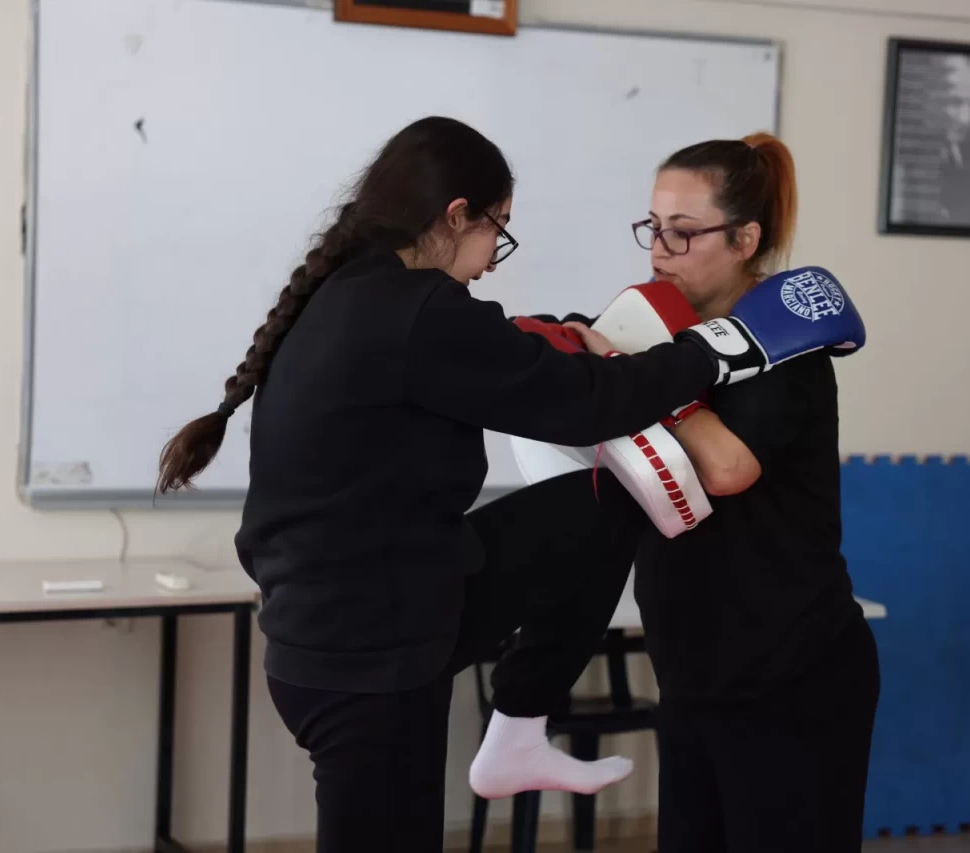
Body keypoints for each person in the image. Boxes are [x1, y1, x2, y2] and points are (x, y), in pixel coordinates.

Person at [154, 116, 750, 853]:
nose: (495, 257)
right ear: (457, 214)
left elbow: (514, 364)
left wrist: (567, 338)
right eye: (497, 230)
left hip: (365, 616)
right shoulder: (420, 312)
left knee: (599, 503)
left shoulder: (350, 293)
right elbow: (588, 401)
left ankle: (519, 726)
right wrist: (715, 350)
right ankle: (518, 730)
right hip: (365, 656)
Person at [546, 133, 879, 852]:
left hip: (791, 672)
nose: (660, 250)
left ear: (744, 240)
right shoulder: (672, 338)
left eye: (684, 232)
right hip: (696, 670)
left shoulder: (785, 348)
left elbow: (727, 469)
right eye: (653, 227)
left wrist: (637, 375)